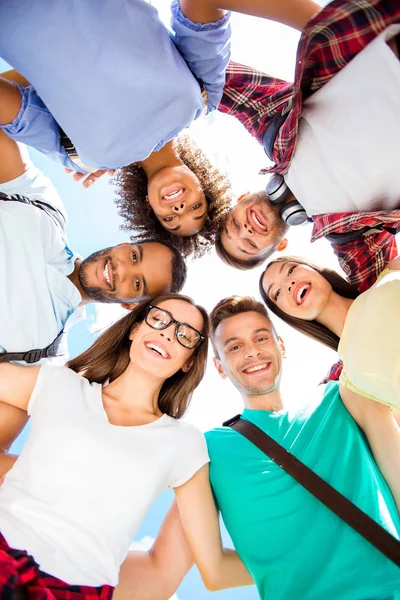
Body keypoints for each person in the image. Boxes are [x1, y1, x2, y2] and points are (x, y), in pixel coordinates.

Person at [0, 0, 320, 255]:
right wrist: (325, 26)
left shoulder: (82, 159)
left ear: (148, 206)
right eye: (196, 206)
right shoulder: (204, 94)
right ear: (203, 183)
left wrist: (51, 85)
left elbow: (9, 104)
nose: (180, 207)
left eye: (171, 218)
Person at [0, 293, 254, 598]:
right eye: (159, 319)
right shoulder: (58, 384)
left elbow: (209, 570)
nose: (167, 333)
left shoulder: (185, 444)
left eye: (185, 335)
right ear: (134, 328)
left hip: (70, 589)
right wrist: (21, 467)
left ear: (189, 362)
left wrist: (310, 558)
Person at [205, 295, 400, 599]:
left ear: (281, 345)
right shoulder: (208, 449)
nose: (252, 351)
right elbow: (212, 572)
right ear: (219, 367)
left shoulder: (340, 398)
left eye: (260, 338)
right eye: (234, 346)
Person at [215, 0, 400, 277]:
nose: (247, 230)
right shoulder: (349, 239)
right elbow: (382, 288)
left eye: (234, 225)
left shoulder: (273, 128)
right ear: (280, 245)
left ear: (240, 199)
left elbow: (214, 79)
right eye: (250, 244)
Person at [0, 133, 187, 366]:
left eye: (137, 283)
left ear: (130, 305)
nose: (122, 270)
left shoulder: (46, 358)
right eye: (134, 256)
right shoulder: (45, 207)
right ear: (123, 245)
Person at [260, 254, 400, 410]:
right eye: (277, 293)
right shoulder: (353, 385)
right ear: (286, 314)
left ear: (313, 269)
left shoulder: (392, 272)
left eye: (291, 270)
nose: (288, 284)